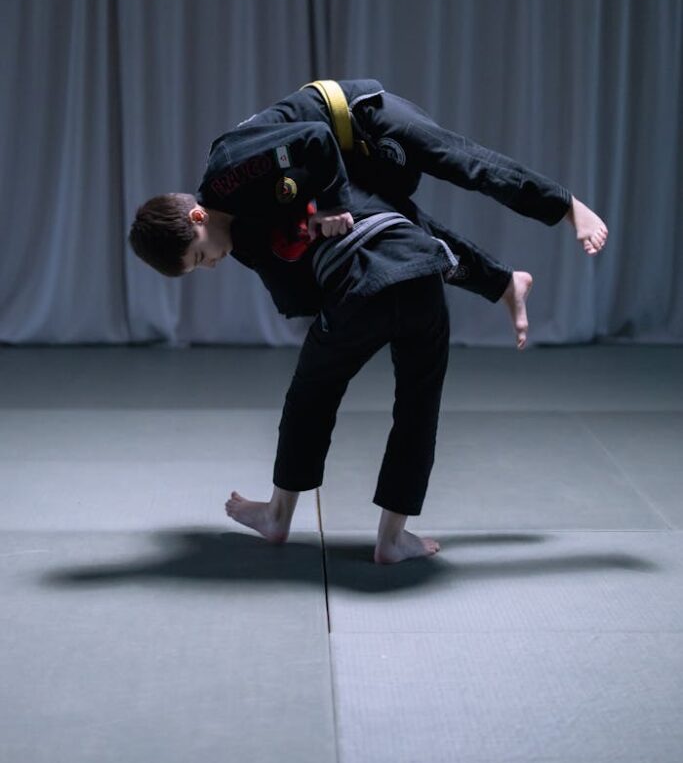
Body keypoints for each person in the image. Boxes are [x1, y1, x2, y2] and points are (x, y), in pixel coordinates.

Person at [129, 79, 608, 564]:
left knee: (462, 163)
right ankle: (504, 283)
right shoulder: (242, 233)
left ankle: (566, 206)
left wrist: (334, 204)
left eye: (199, 257)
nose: (209, 266)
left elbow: (314, 138)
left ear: (196, 217)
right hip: (354, 175)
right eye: (198, 269)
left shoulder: (225, 174)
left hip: (358, 118)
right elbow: (289, 283)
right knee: (396, 230)